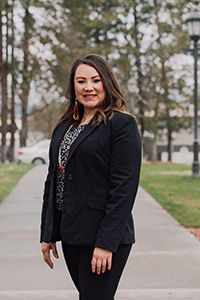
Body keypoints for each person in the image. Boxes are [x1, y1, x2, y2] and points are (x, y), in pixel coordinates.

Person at [40, 53, 141, 300]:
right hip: (72, 233)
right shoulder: (66, 125)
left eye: (96, 80)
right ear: (73, 86)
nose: (88, 87)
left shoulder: (121, 125)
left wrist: (106, 243)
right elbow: (53, 180)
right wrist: (48, 232)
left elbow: (124, 189)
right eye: (81, 81)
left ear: (107, 83)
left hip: (103, 235)